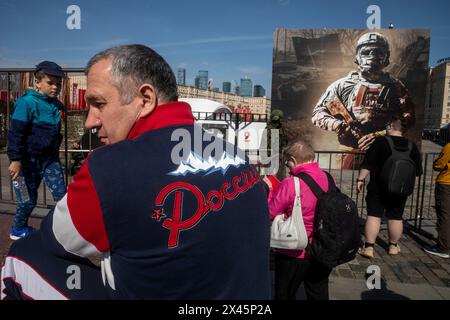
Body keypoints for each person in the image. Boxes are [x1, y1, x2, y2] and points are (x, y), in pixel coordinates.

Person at [1, 44, 271, 300]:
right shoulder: (238, 156)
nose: (89, 122)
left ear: (145, 99)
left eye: (99, 104)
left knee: (22, 254)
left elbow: (55, 239)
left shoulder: (110, 168)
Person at [311, 32, 415, 167]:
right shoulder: (342, 85)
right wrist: (338, 125)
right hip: (348, 152)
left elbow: (409, 117)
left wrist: (382, 134)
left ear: (386, 57)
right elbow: (318, 113)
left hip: (384, 151)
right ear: (357, 57)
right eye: (367, 52)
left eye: (378, 52)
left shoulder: (396, 87)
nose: (372, 56)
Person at [7, 61, 67, 240]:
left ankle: (61, 229)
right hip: (27, 162)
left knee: (62, 197)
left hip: (50, 160)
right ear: (37, 82)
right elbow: (15, 133)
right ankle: (18, 229)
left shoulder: (55, 104)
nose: (55, 87)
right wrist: (16, 160)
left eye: (59, 83)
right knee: (27, 201)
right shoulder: (26, 103)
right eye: (51, 83)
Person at [267, 140, 332, 300]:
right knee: (318, 293)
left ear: (293, 160)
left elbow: (271, 211)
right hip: (322, 247)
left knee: (285, 292)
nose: (287, 165)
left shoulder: (291, 183)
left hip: (295, 249)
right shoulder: (328, 177)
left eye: (287, 161)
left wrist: (270, 191)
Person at [357, 116, 422, 258]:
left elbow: (368, 163)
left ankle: (369, 248)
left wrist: (360, 179)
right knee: (396, 217)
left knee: (374, 215)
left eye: (387, 124)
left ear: (391, 126)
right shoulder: (411, 145)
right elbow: (417, 172)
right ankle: (393, 246)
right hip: (400, 189)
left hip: (378, 187)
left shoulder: (380, 142)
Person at [423, 143, 450, 258]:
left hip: (447, 183)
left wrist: (435, 163)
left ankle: (443, 247)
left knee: (444, 215)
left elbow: (439, 165)